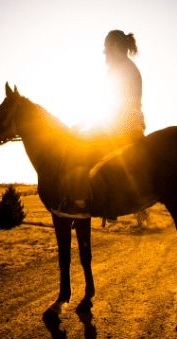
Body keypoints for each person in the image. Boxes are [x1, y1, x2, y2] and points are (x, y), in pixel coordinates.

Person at [60, 30, 147, 217]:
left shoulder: (117, 70)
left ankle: (79, 203)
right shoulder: (131, 68)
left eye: (106, 48)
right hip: (133, 125)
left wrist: (79, 126)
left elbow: (109, 106)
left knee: (76, 145)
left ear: (115, 47)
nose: (104, 53)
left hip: (118, 128)